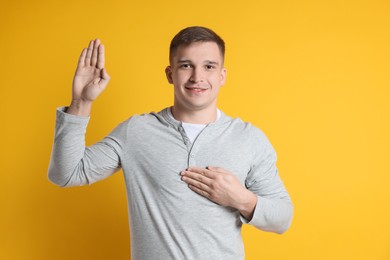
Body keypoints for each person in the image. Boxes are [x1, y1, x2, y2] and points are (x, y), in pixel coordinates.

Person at [48, 26, 293, 260]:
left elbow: (283, 218)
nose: (198, 77)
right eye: (186, 66)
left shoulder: (249, 138)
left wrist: (241, 199)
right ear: (170, 73)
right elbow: (67, 174)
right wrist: (80, 102)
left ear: (222, 76)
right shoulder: (136, 132)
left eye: (209, 66)